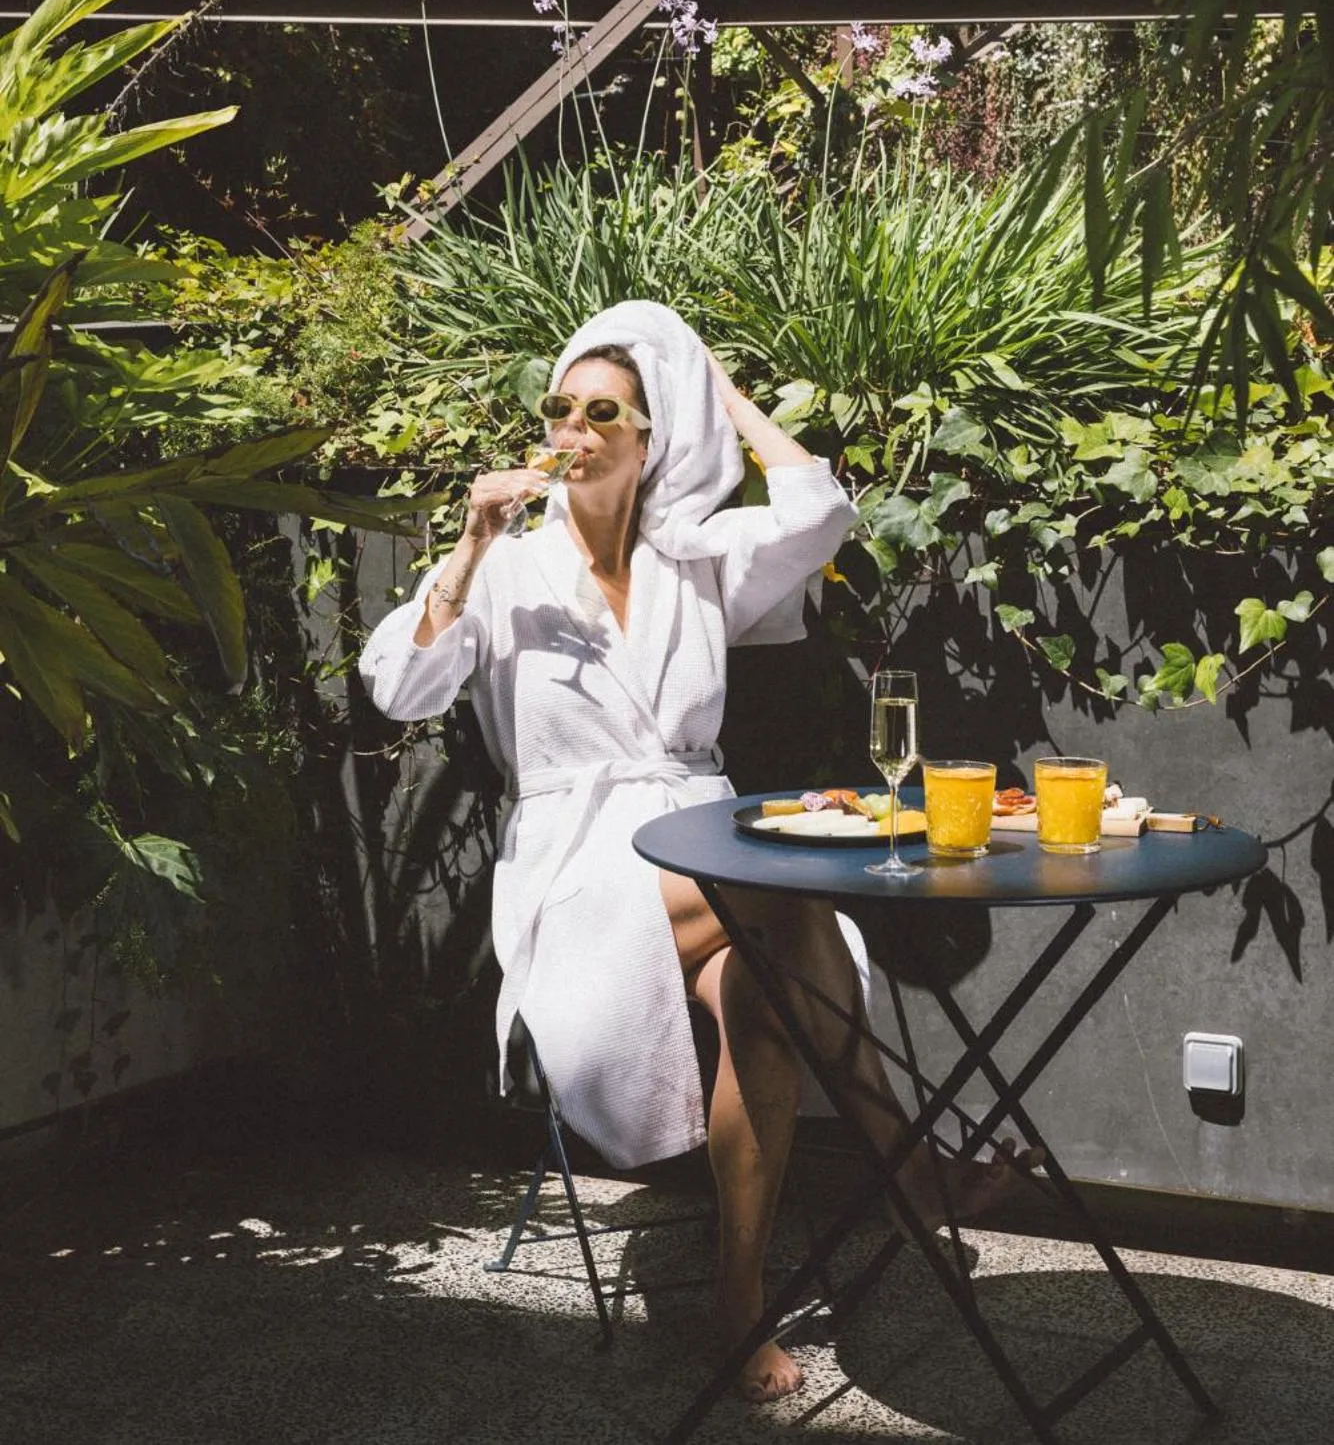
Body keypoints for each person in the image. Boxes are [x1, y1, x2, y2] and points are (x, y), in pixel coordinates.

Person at [359, 302, 1030, 1404]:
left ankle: (738, 1291)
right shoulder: (510, 568)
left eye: (604, 412)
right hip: (583, 868)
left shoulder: (693, 561)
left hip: (702, 840)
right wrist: (470, 541)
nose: (574, 428)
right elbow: (397, 685)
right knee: (791, 893)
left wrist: (714, 383)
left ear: (649, 436)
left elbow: (818, 510)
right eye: (560, 407)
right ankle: (918, 1171)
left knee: (765, 1002)